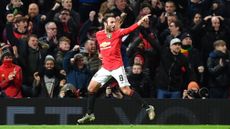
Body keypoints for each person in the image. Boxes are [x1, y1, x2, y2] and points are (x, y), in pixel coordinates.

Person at [77, 13, 155, 124]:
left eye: (115, 22)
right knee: (91, 88)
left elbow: (129, 29)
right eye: (111, 22)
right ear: (105, 24)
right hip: (105, 68)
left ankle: (148, 107)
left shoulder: (118, 33)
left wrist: (139, 22)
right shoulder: (99, 35)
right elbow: (100, 45)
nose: (113, 24)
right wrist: (100, 53)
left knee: (126, 91)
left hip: (117, 67)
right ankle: (90, 114)